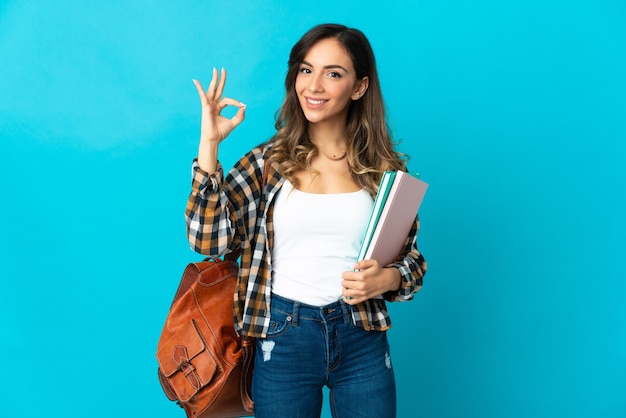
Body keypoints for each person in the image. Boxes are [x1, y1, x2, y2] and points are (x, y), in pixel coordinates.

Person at [186, 23, 427, 418]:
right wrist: (209, 145)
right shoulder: (267, 164)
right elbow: (207, 242)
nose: (313, 86)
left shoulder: (382, 171)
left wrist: (389, 279)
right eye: (305, 69)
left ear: (359, 87)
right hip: (282, 336)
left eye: (333, 73)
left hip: (361, 335)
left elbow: (413, 262)